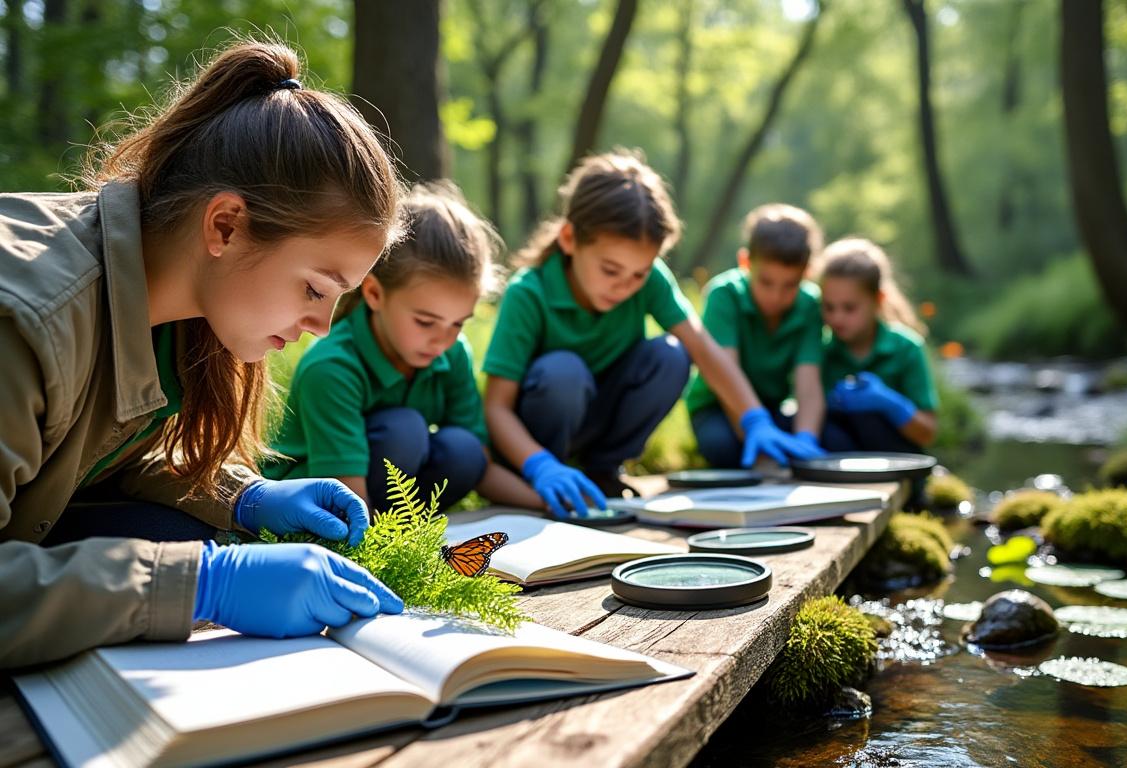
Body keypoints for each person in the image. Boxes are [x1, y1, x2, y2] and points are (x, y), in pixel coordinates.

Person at [0, 41, 407, 669]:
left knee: (182, 535)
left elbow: (95, 443)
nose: (322, 327)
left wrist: (243, 496)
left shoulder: (178, 310)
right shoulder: (26, 320)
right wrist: (203, 586)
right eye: (314, 289)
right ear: (224, 226)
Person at [482, 150, 818, 519]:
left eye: (638, 274)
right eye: (610, 270)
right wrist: (538, 465)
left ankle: (602, 471)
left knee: (671, 354)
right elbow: (496, 406)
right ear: (569, 239)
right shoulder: (528, 293)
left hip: (600, 414)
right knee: (564, 371)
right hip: (537, 444)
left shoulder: (650, 280)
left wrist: (754, 418)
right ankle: (551, 478)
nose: (624, 286)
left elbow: (702, 348)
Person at [266, 183, 540, 512]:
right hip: (312, 503)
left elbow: (478, 465)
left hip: (389, 493)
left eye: (458, 323)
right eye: (425, 322)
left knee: (463, 449)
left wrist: (549, 503)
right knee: (403, 430)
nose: (444, 340)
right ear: (375, 295)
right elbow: (340, 493)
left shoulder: (451, 353)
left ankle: (409, 531)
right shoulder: (331, 368)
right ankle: (391, 539)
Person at [685, 204, 830, 468]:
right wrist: (758, 436)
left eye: (790, 285)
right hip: (718, 406)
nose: (776, 297)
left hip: (772, 408)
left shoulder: (810, 305)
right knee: (724, 447)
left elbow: (808, 385)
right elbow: (725, 375)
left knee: (831, 437)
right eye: (766, 282)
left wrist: (806, 439)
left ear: (806, 272)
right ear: (745, 263)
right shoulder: (723, 295)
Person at [817, 238, 939, 454]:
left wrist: (890, 404)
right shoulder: (821, 351)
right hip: (837, 465)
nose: (837, 318)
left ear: (877, 300)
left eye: (849, 308)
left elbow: (928, 433)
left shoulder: (907, 348)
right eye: (829, 307)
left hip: (895, 461)